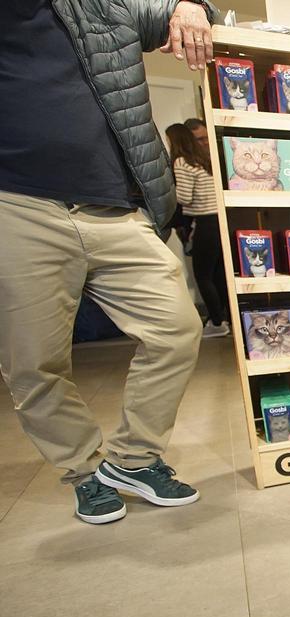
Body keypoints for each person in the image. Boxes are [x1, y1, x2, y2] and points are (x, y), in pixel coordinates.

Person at [0, 0, 217, 524]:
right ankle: (83, 471)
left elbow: (183, 12)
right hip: (17, 206)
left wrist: (191, 6)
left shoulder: (102, 5)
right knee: (33, 362)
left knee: (176, 328)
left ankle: (132, 460)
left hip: (117, 206)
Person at [166, 123, 228, 338]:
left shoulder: (182, 162)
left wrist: (168, 196)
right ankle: (225, 318)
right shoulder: (205, 160)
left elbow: (184, 197)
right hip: (220, 220)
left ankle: (217, 323)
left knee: (203, 275)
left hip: (205, 223)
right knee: (219, 273)